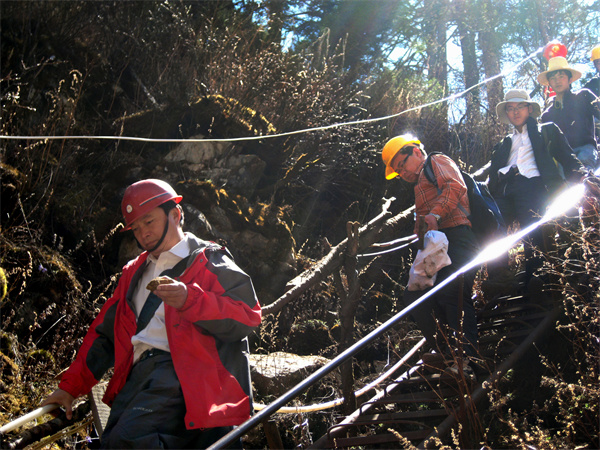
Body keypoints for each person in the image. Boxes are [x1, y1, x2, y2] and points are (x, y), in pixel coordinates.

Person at [41, 179, 262, 448]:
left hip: (180, 372)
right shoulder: (133, 272)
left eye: (149, 221)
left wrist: (189, 299)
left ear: (176, 215)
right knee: (112, 443)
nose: (143, 232)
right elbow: (104, 334)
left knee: (128, 441)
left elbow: (247, 315)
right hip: (135, 378)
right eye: (135, 227)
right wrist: (69, 388)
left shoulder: (210, 259)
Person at [381, 135, 479, 377]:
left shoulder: (437, 161)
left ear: (415, 151)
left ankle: (467, 362)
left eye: (402, 165)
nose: (402, 172)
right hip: (435, 246)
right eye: (397, 170)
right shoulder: (418, 187)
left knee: (452, 292)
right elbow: (422, 223)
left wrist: (435, 214)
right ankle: (445, 353)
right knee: (415, 296)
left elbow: (454, 186)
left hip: (457, 236)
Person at [487, 89, 586, 285]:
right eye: (510, 108)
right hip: (505, 188)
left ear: (529, 109)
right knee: (493, 225)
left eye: (520, 107)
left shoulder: (546, 130)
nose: (515, 112)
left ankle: (537, 273)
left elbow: (567, 156)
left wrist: (583, 175)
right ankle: (498, 276)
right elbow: (494, 173)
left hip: (533, 183)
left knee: (531, 227)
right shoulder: (504, 143)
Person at [538, 56, 600, 170]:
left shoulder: (584, 96)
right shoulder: (547, 115)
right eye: (553, 78)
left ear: (570, 79)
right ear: (549, 83)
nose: (557, 81)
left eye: (561, 76)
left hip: (585, 149)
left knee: (584, 167)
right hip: (563, 158)